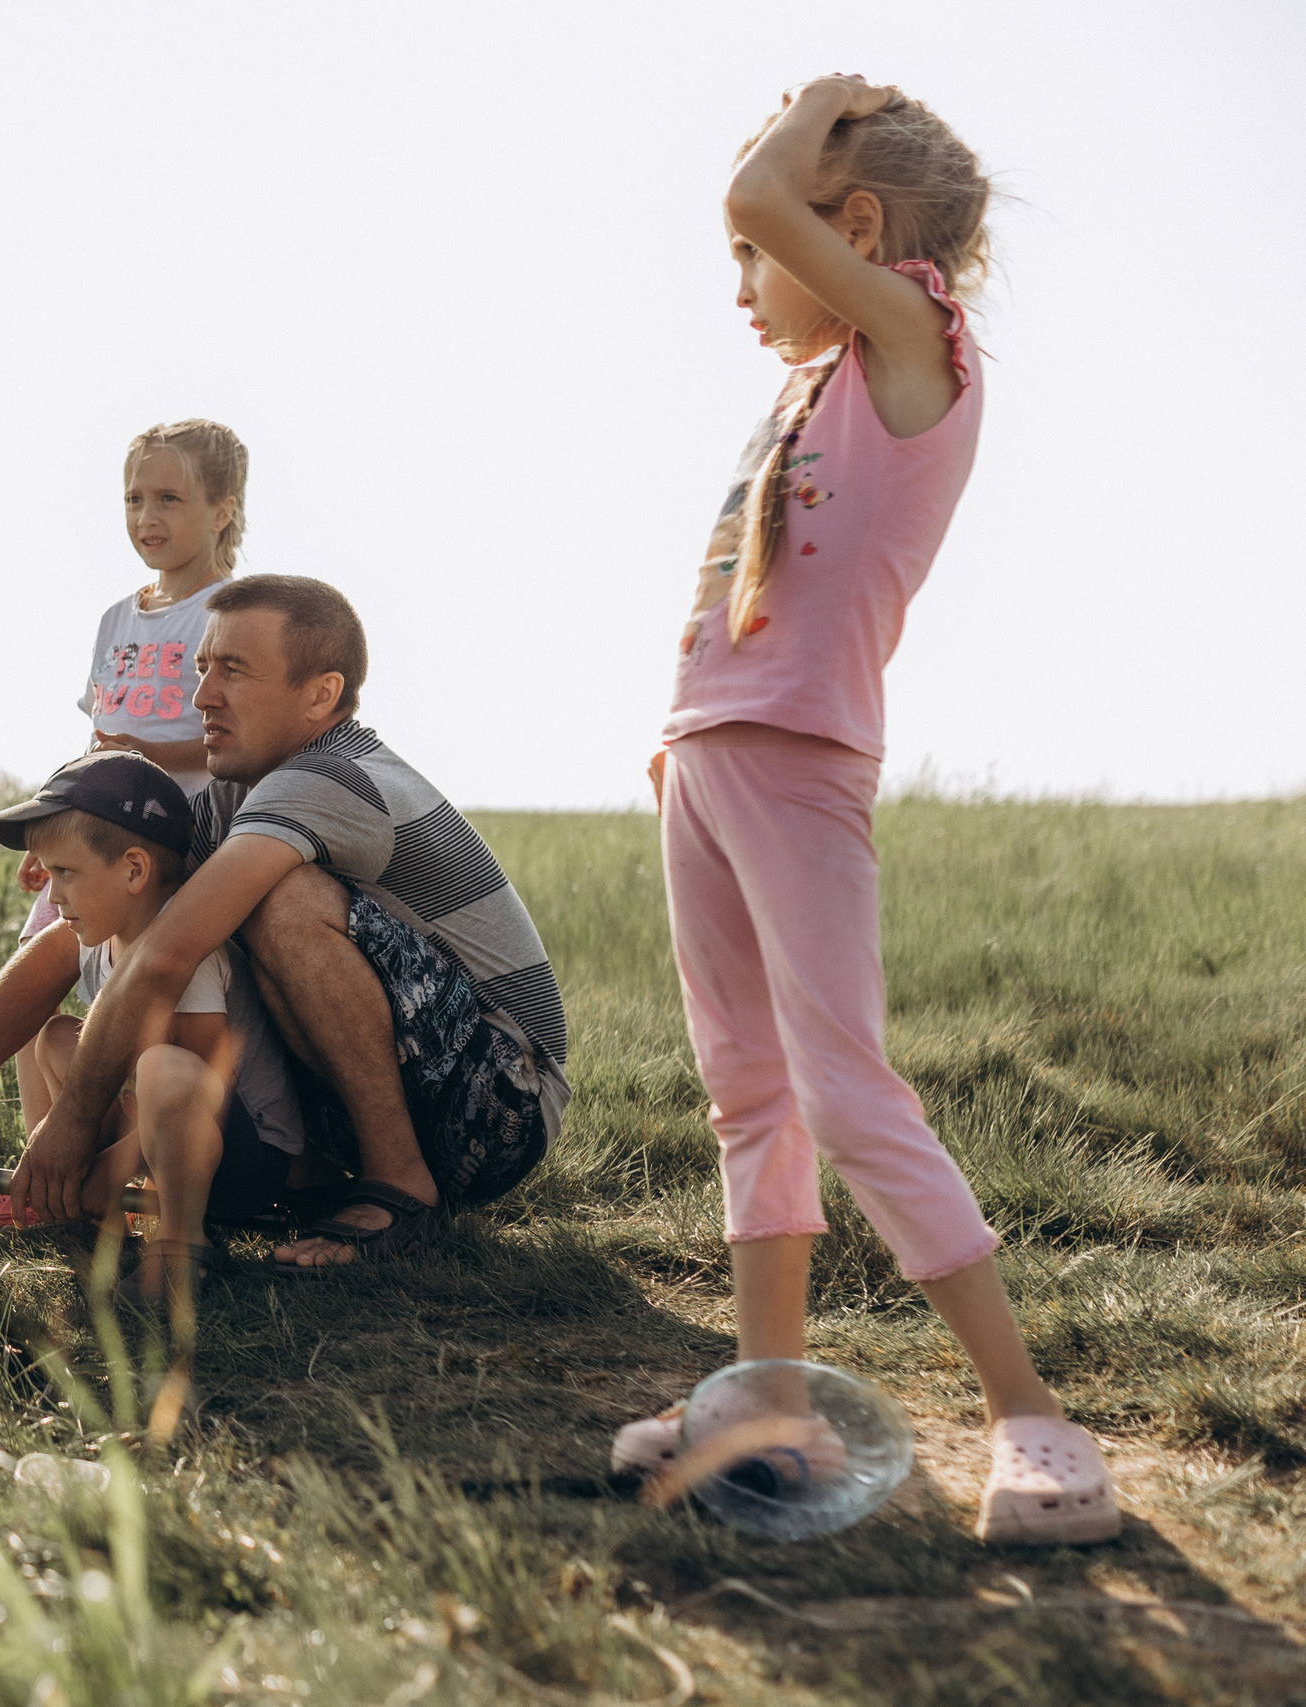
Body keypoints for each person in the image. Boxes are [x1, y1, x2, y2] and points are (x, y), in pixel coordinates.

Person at [615, 75, 1118, 1545]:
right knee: (749, 1093)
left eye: (755, 259)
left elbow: (757, 195)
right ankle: (765, 1405)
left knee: (844, 1090)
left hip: (797, 760)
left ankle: (1032, 1418)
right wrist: (685, 739)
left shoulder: (913, 346)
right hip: (712, 752)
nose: (742, 284)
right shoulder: (817, 378)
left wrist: (811, 116)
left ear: (852, 227)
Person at [0, 575, 568, 1272]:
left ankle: (399, 1185)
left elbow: (166, 956)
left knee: (282, 900)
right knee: (212, 913)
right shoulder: (236, 797)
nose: (201, 695)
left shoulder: (329, 778)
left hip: (503, 1096)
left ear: (320, 695)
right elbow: (70, 944)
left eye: (232, 669)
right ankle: (291, 1176)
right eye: (203, 667)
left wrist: (73, 1126)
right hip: (415, 1083)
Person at [0, 751, 305, 1295]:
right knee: (57, 1037)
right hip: (162, 1127)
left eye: (65, 873)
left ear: (134, 870)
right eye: (48, 874)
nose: (52, 895)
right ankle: (75, 1202)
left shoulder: (189, 950)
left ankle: (182, 1248)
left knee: (161, 1068)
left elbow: (204, 1092)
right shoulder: (97, 941)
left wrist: (107, 1170)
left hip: (248, 1159)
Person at [11, 421, 247, 954]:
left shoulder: (229, 615)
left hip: (179, 839)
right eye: (134, 499)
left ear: (221, 512)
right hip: (97, 828)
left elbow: (246, 740)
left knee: (144, 972)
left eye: (169, 499)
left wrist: (151, 756)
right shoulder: (115, 619)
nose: (146, 517)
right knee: (38, 952)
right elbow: (99, 739)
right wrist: (54, 821)